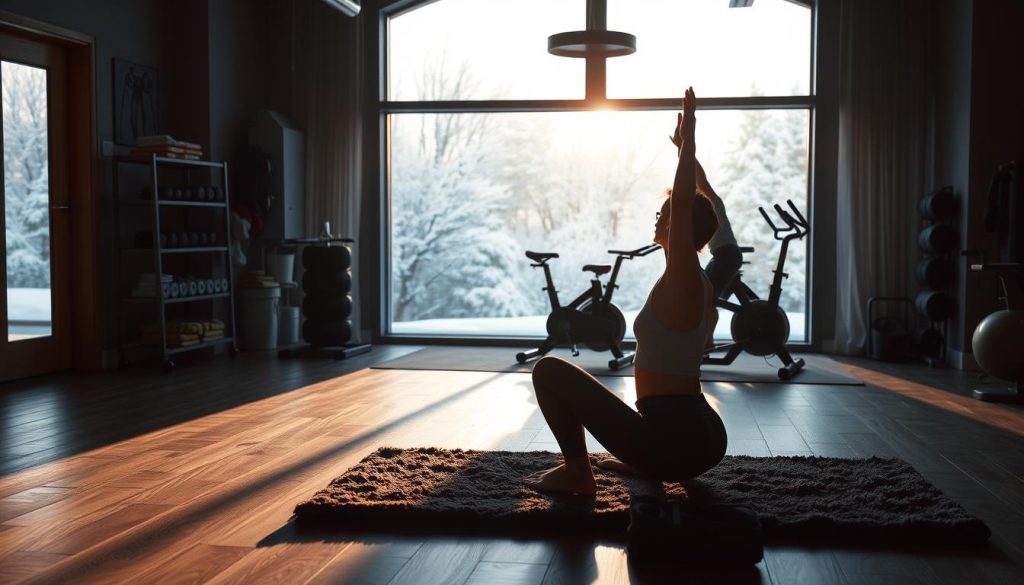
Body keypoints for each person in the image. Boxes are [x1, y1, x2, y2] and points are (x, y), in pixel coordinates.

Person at [523, 87, 728, 496]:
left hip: (676, 437)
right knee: (638, 430)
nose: (661, 214)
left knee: (547, 370)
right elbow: (712, 203)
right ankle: (647, 462)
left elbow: (689, 201)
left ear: (682, 226)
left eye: (666, 212)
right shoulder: (697, 285)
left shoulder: (684, 275)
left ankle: (579, 474)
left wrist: (689, 143)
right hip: (699, 434)